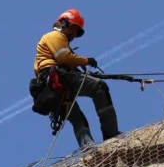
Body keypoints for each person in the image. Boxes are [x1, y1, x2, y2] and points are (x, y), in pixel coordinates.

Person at [29, 8, 121, 147]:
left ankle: (88, 148)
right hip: (58, 78)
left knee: (77, 118)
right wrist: (86, 61)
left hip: (54, 84)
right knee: (99, 87)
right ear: (64, 23)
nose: (74, 35)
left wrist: (79, 70)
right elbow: (64, 57)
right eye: (74, 29)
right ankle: (111, 134)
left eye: (77, 33)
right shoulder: (55, 36)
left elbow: (65, 62)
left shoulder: (57, 41)